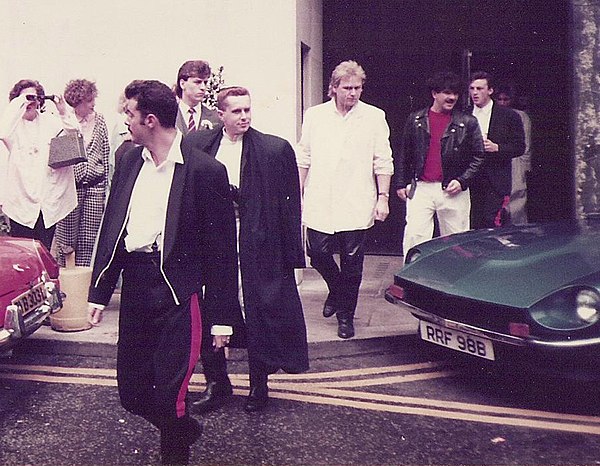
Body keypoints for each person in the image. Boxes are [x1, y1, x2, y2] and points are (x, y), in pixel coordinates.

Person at [87, 80, 243, 465]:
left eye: (129, 113)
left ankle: (175, 449)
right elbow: (114, 227)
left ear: (150, 120)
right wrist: (99, 290)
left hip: (178, 292)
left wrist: (222, 318)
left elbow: (222, 250)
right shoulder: (127, 160)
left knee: (172, 396)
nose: (125, 120)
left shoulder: (205, 171)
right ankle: (185, 430)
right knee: (132, 393)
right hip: (137, 288)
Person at [183, 86, 308, 413]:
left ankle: (258, 384)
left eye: (247, 110)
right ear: (220, 114)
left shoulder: (273, 150)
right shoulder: (199, 146)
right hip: (213, 241)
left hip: (258, 240)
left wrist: (293, 256)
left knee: (257, 308)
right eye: (236, 111)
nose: (244, 117)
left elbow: (290, 206)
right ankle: (216, 382)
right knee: (212, 308)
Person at [296, 60, 394, 340]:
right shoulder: (315, 115)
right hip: (320, 197)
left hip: (357, 197)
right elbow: (304, 155)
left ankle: (345, 316)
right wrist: (298, 193)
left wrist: (383, 197)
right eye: (347, 88)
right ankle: (337, 291)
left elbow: (382, 159)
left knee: (352, 262)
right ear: (334, 88)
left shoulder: (374, 116)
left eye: (358, 88)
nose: (353, 93)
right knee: (317, 252)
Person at [396, 71, 485, 254]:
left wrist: (462, 180)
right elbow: (405, 153)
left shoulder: (468, 122)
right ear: (434, 94)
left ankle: (455, 280)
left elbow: (479, 156)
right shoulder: (416, 119)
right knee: (415, 238)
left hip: (453, 188)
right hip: (421, 188)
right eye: (446, 92)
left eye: (455, 93)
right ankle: (412, 278)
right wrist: (400, 183)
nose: (451, 97)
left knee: (457, 242)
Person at [0, 79, 78, 250]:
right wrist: (21, 101)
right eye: (25, 99)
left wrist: (63, 111)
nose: (30, 102)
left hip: (47, 205)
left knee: (44, 254)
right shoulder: (13, 127)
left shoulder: (51, 123)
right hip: (21, 206)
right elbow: (3, 131)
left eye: (34, 98)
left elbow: (74, 136)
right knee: (23, 255)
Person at [55, 79, 110, 266]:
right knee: (67, 240)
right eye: (88, 100)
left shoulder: (100, 119)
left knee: (89, 239)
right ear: (77, 102)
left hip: (95, 186)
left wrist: (105, 186)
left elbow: (105, 150)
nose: (93, 103)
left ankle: (84, 285)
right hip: (70, 188)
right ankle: (66, 283)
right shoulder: (62, 122)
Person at [469, 71, 525, 229]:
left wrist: (497, 148)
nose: (475, 92)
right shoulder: (464, 114)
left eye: (480, 88)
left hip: (495, 179)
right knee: (471, 222)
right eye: (472, 88)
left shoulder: (509, 116)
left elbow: (519, 147)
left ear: (490, 90)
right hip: (470, 178)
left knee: (492, 221)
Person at [495, 87, 533, 225]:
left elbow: (526, 144)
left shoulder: (520, 116)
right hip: (498, 158)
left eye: (506, 99)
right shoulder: (493, 115)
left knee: (517, 198)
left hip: (516, 160)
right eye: (499, 99)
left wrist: (526, 167)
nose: (503, 102)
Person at [175, 60, 220, 135]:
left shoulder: (216, 118)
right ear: (182, 84)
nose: (203, 87)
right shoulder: (168, 115)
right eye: (197, 82)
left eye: (205, 82)